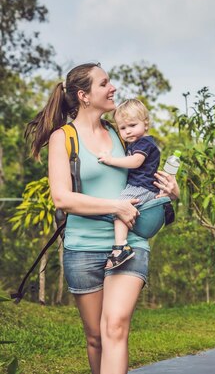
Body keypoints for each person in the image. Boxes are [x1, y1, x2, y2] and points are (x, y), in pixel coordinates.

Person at [25, 62, 179, 374]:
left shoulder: (120, 134)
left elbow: (144, 180)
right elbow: (61, 198)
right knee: (96, 337)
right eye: (104, 83)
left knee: (116, 328)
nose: (113, 89)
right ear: (83, 95)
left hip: (129, 242)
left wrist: (171, 192)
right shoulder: (63, 138)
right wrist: (116, 206)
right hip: (83, 246)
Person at [98, 99, 160, 269]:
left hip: (140, 187)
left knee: (120, 209)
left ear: (145, 123)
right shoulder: (135, 143)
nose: (128, 131)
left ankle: (121, 247)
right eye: (123, 128)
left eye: (132, 125)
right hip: (141, 186)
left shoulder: (145, 143)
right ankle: (121, 245)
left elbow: (136, 162)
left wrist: (111, 160)